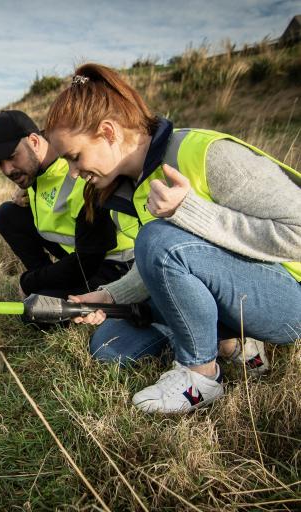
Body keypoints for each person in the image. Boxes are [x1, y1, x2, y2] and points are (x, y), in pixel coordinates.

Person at [44, 64, 301, 414]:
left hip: (289, 300)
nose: (73, 173)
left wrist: (191, 213)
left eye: (74, 157)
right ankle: (231, 343)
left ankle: (200, 376)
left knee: (156, 239)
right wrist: (109, 295)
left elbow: (296, 233)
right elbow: (166, 261)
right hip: (232, 293)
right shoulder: (127, 188)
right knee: (110, 346)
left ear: (107, 132)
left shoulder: (207, 154)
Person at [0, 110, 138, 299]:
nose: (7, 170)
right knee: (6, 215)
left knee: (38, 315)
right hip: (79, 255)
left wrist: (30, 281)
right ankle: (49, 288)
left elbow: (87, 263)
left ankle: (48, 290)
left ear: (35, 142)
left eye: (12, 156)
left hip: (116, 264)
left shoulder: (84, 175)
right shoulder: (36, 169)